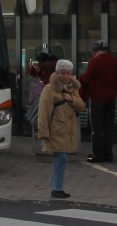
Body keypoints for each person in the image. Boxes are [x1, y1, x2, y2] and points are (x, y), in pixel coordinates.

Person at [36, 58, 84, 199]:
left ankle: (56, 187)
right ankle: (57, 188)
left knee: (61, 158)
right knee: (60, 157)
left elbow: (81, 106)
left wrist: (71, 99)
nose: (65, 76)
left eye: (68, 73)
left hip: (68, 129)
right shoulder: (49, 89)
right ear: (57, 73)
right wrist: (43, 132)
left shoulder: (73, 88)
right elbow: (43, 112)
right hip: (55, 128)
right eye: (63, 73)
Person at [77, 40, 117, 163]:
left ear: (94, 51)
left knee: (96, 127)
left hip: (97, 98)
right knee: (109, 127)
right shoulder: (113, 60)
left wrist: (81, 78)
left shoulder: (94, 61)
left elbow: (86, 79)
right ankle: (108, 154)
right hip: (111, 98)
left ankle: (98, 154)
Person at [26, 48, 53, 149]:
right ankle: (40, 143)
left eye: (42, 63)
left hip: (49, 101)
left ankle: (45, 142)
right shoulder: (42, 70)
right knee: (37, 121)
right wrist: (35, 68)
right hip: (42, 100)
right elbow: (30, 71)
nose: (41, 66)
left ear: (47, 62)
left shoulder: (53, 70)